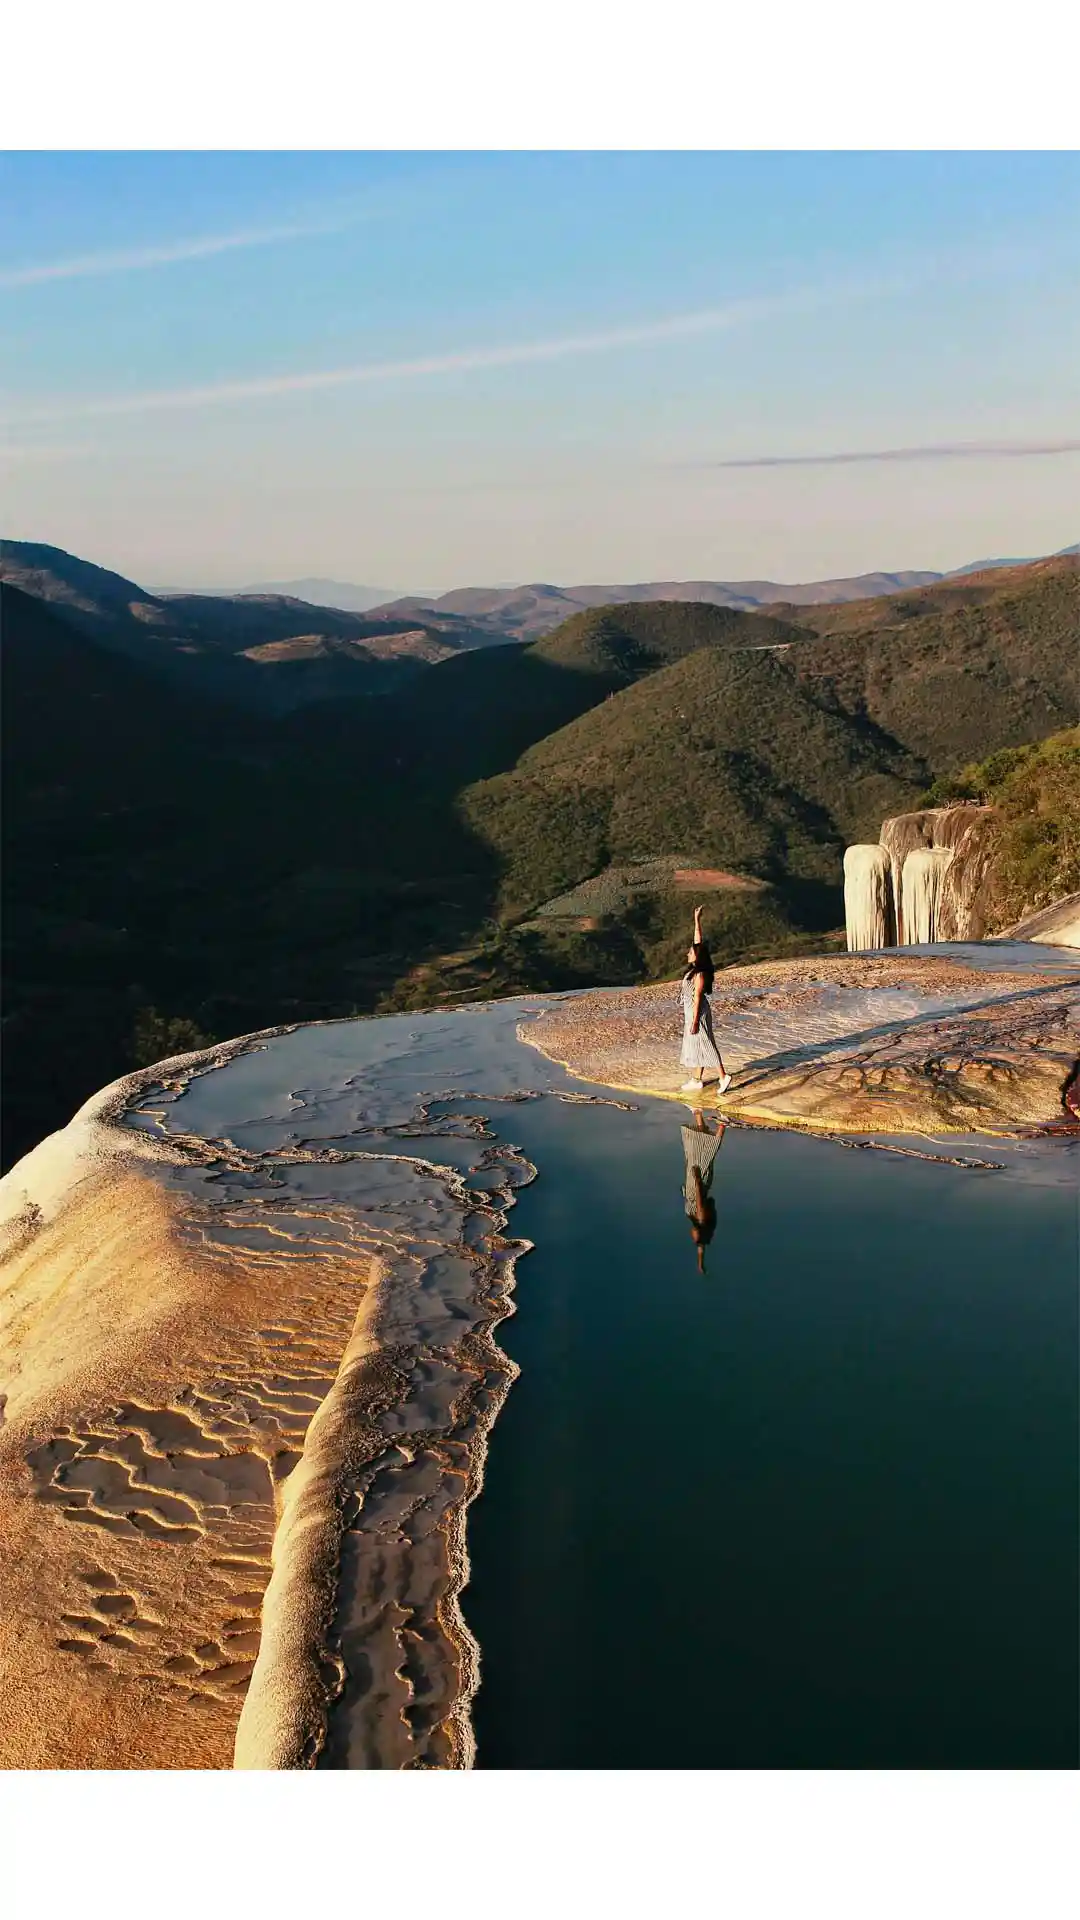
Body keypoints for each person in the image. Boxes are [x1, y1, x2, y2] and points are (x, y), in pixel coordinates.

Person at [679, 904, 732, 1096]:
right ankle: (696, 1079)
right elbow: (697, 942)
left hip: (697, 1011)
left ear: (696, 957)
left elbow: (697, 998)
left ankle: (723, 1076)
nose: (688, 953)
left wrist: (694, 1022)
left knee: (706, 1042)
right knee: (698, 1044)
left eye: (690, 952)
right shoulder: (696, 969)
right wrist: (696, 920)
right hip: (691, 1011)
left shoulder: (700, 975)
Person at [681, 1110, 725, 1273]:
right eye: (693, 1236)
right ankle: (722, 1123)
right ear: (698, 1232)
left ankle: (698, 1115)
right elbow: (699, 1198)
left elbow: (701, 1247)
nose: (691, 1235)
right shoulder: (699, 1218)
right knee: (706, 1153)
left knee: (697, 1148)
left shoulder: (700, 1227)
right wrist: (697, 1179)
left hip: (696, 1184)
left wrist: (700, 1263)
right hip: (697, 1183)